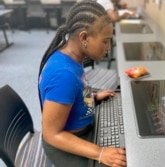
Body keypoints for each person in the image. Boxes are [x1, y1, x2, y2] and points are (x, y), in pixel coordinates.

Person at [38, 1, 126, 167]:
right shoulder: (64, 75)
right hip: (64, 145)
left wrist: (92, 98)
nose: (108, 48)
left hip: (80, 130)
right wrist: (100, 153)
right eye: (105, 41)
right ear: (84, 37)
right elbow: (51, 134)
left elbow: (76, 90)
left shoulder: (72, 56)